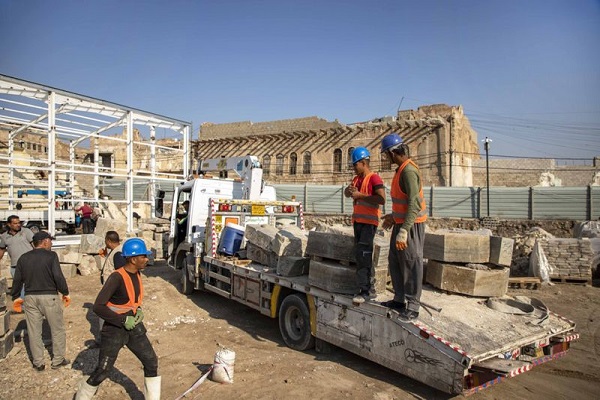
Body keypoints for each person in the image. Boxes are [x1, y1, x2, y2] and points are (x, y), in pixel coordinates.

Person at [75, 238, 160, 400]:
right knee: (103, 369)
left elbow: (129, 300)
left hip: (134, 325)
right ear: (133, 259)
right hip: (115, 328)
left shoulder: (137, 274)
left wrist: (138, 310)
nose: (147, 259)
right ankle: (81, 396)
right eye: (144, 256)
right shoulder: (116, 278)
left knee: (151, 361)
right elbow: (98, 307)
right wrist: (122, 320)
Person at [380, 133, 427, 323]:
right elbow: (403, 203)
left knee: (410, 261)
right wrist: (393, 217)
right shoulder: (400, 170)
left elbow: (414, 205)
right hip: (401, 223)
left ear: (393, 153)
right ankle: (399, 299)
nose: (386, 158)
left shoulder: (408, 171)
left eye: (386, 155)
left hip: (412, 225)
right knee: (395, 259)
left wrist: (404, 230)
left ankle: (413, 306)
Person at [11, 231, 70, 371]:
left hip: (30, 298)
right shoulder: (51, 256)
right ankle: (57, 360)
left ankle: (38, 363)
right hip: (49, 296)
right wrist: (65, 292)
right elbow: (58, 276)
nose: (52, 243)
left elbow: (17, 279)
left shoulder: (23, 258)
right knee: (57, 329)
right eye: (50, 241)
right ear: (44, 242)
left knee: (33, 331)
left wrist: (16, 296)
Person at [344, 147, 385, 304]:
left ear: (363, 162)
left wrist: (361, 195)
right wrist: (348, 191)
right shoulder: (356, 179)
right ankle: (367, 287)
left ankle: (365, 291)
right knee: (361, 255)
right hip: (359, 223)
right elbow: (348, 195)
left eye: (355, 165)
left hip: (369, 223)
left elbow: (381, 199)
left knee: (364, 255)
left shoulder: (374, 178)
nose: (354, 168)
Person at [0, 215, 34, 299]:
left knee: (31, 284)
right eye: (15, 223)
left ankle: (31, 304)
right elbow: (2, 250)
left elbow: (35, 245)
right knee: (19, 286)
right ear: (9, 224)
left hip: (29, 263)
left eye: (19, 223)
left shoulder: (26, 232)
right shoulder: (4, 237)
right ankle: (23, 305)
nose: (18, 225)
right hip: (15, 265)